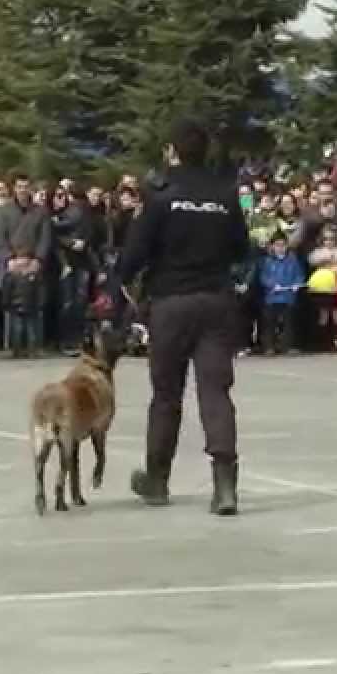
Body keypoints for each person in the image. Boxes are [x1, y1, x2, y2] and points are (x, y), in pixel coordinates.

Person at [117, 118, 249, 516]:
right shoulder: (225, 194)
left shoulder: (160, 196)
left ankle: (157, 479)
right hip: (216, 300)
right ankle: (224, 486)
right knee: (215, 392)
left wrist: (120, 281)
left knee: (166, 395)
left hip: (171, 303)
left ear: (172, 151)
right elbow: (242, 249)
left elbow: (134, 253)